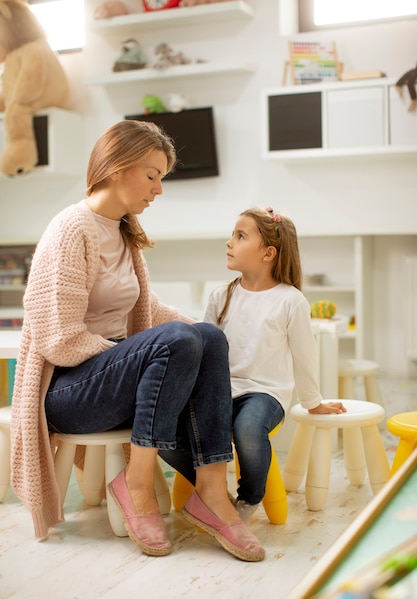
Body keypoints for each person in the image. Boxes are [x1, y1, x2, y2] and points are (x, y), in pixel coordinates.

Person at [10, 121, 265, 562]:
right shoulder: (71, 229)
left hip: (111, 376)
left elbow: (148, 313)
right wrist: (143, 358)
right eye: (152, 175)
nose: (158, 190)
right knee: (179, 342)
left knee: (205, 337)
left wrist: (205, 338)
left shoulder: (122, 232)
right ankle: (139, 485)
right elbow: (60, 340)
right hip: (68, 389)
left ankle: (210, 491)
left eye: (161, 178)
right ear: (115, 167)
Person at [203, 207, 346, 521]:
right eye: (232, 234)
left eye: (240, 236)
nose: (229, 242)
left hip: (265, 393)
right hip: (222, 390)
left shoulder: (290, 300)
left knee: (248, 429)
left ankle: (249, 498)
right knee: (173, 432)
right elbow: (206, 351)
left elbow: (304, 355)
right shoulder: (220, 295)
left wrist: (313, 401)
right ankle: (208, 493)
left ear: (268, 253)